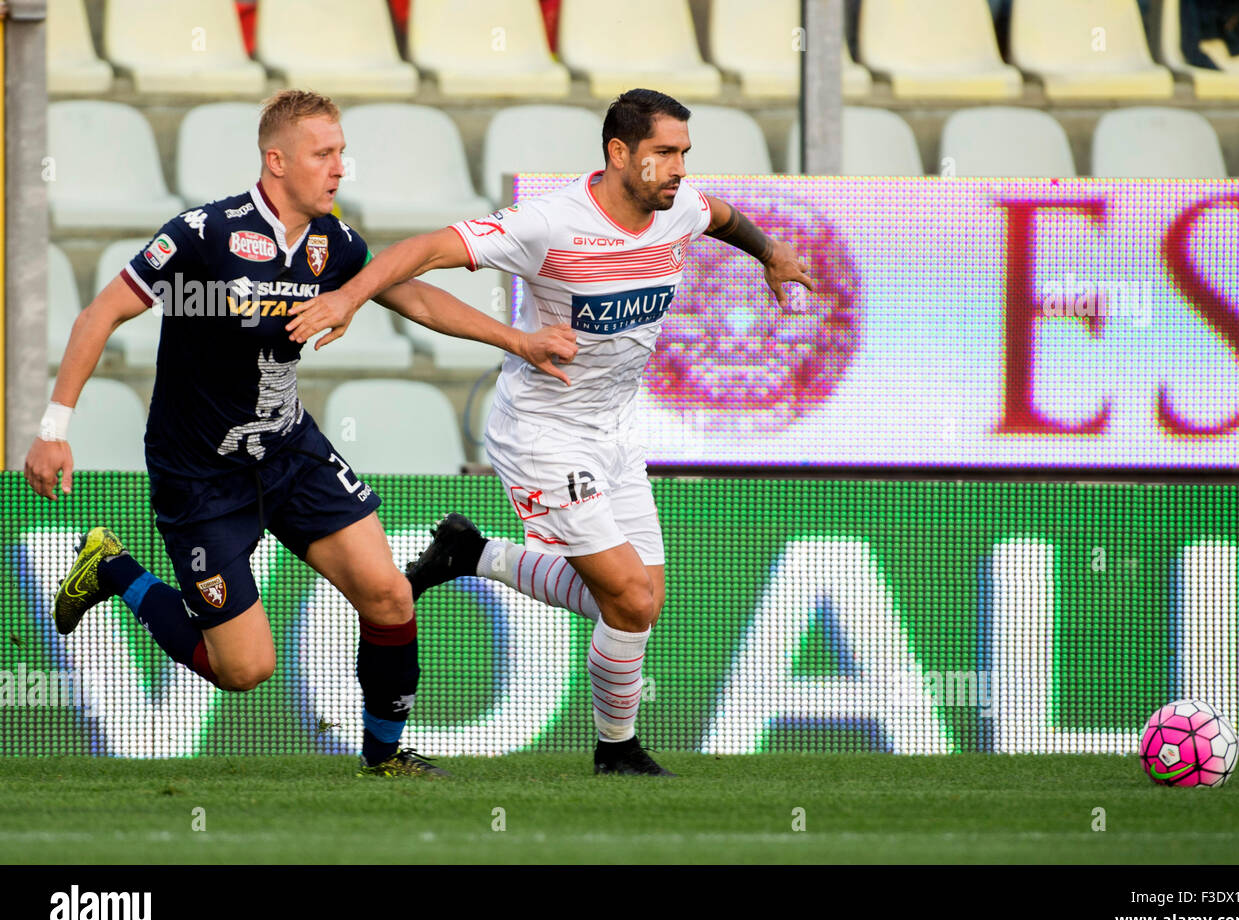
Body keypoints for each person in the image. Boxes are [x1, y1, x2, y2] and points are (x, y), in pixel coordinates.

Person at [24, 89, 576, 777]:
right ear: (276, 160)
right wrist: (54, 429)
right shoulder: (205, 234)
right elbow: (97, 316)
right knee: (245, 666)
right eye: (324, 154)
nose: (340, 167)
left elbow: (417, 297)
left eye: (342, 152)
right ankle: (112, 567)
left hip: (290, 452)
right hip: (201, 475)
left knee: (390, 594)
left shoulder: (334, 242)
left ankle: (384, 758)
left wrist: (518, 340)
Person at [286, 88, 813, 775]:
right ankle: (615, 749)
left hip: (618, 428)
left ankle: (470, 555)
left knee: (640, 603)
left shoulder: (677, 204)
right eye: (665, 152)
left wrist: (770, 252)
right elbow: (423, 249)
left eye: (685, 152)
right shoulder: (549, 223)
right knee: (625, 595)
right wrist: (350, 295)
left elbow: (723, 215)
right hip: (544, 431)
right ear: (619, 153)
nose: (680, 167)